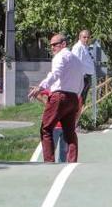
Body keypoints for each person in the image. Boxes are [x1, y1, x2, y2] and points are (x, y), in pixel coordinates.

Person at [28, 33, 85, 163]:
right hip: (73, 98)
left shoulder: (60, 56)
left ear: (64, 44)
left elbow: (55, 74)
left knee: (46, 128)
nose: (52, 47)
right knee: (70, 133)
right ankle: (72, 162)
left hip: (59, 97)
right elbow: (81, 82)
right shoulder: (77, 60)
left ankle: (49, 161)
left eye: (55, 44)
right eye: (51, 45)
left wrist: (41, 87)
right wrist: (76, 96)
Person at [71, 29, 95, 102]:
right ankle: (77, 113)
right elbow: (76, 63)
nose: (86, 39)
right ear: (80, 37)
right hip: (82, 77)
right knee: (80, 99)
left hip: (86, 77)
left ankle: (79, 113)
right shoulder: (78, 47)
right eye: (84, 37)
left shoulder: (85, 47)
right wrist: (81, 77)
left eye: (88, 37)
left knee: (82, 100)